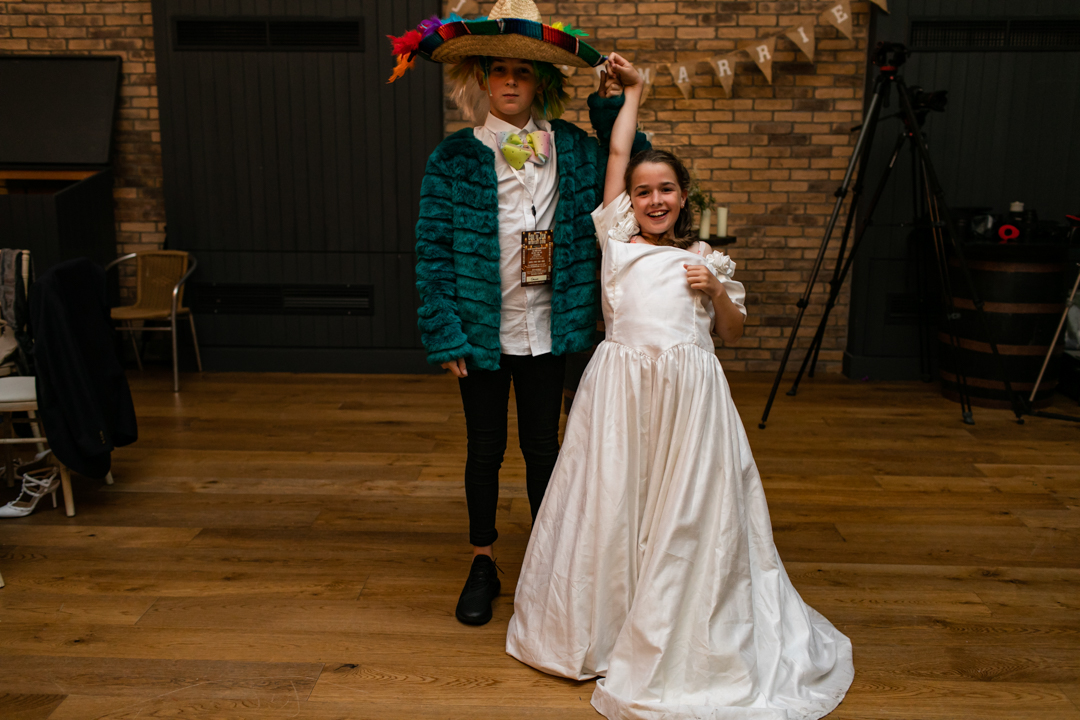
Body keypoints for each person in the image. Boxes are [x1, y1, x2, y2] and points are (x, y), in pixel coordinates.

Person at [505, 55, 854, 720]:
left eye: (666, 189)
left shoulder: (706, 260)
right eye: (643, 192)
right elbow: (617, 152)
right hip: (620, 396)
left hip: (691, 404)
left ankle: (676, 622)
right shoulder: (617, 244)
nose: (655, 200)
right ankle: (606, 624)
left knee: (684, 512)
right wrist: (633, 94)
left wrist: (716, 290)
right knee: (614, 500)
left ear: (683, 197)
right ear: (629, 203)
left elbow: (734, 333)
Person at [390, 0, 648, 626]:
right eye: (499, 70)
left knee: (544, 447)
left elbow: (632, 164)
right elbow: (432, 250)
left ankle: (548, 559)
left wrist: (613, 103)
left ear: (542, 82)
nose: (510, 81)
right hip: (483, 330)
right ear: (482, 78)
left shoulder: (574, 149)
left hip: (551, 328)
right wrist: (443, 328)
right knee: (484, 448)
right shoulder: (453, 158)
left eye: (523, 72)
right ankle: (483, 561)